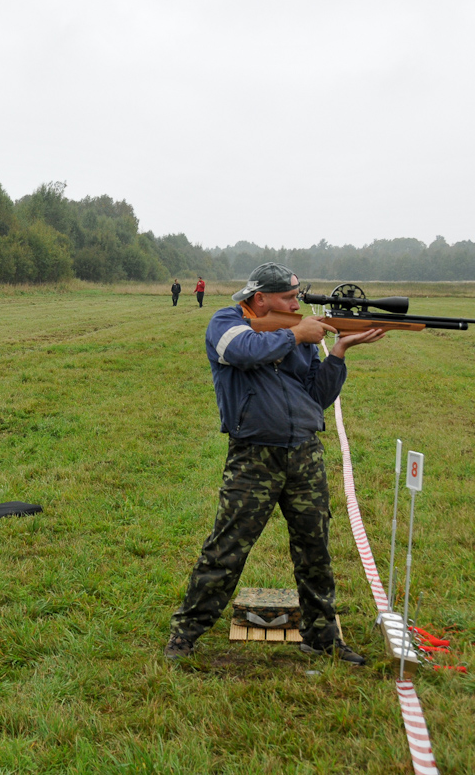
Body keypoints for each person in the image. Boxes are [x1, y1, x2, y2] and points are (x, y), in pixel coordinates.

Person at [164, 262, 385, 665]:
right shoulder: (226, 322)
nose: (296, 304)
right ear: (260, 297)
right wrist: (295, 334)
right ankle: (185, 633)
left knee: (314, 548)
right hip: (254, 455)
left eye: (297, 297)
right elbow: (241, 352)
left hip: (304, 452)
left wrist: (337, 352)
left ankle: (322, 637)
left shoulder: (294, 334)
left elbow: (317, 395)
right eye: (288, 297)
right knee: (227, 548)